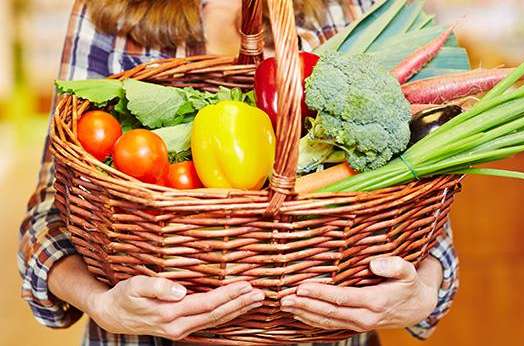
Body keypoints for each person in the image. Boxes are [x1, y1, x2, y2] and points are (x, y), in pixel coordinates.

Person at [18, 1, 459, 345]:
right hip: (141, 341)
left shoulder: (353, 10)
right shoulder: (107, 13)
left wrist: (419, 293)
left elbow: (419, 207)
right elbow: (50, 212)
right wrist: (101, 302)